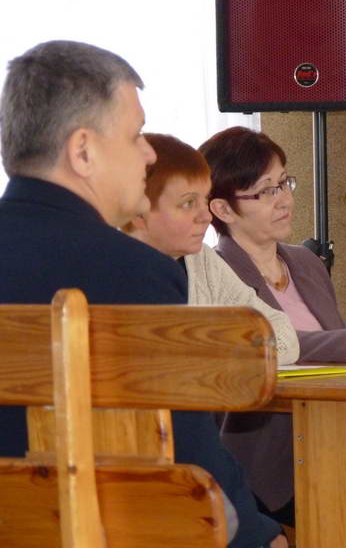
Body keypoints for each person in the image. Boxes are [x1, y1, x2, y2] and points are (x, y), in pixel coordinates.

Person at [0, 40, 287, 548]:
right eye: (135, 136)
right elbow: (187, 451)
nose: (149, 153)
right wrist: (263, 537)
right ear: (83, 151)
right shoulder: (129, 271)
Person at [198, 126, 346, 527]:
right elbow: (271, 345)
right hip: (272, 444)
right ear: (223, 209)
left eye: (284, 182)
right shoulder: (213, 272)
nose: (284, 199)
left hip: (342, 424)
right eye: (266, 191)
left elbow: (334, 346)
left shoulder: (305, 261)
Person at [125, 132, 299, 366]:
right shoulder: (114, 268)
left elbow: (283, 333)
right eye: (188, 203)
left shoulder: (202, 261)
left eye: (205, 200)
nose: (206, 216)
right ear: (138, 211)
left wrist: (211, 350)